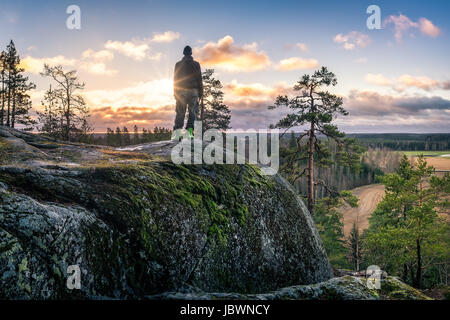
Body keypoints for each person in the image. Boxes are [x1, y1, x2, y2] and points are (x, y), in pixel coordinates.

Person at [172, 45, 203, 140]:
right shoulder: (196, 64)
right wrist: (200, 93)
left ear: (183, 53)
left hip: (181, 91)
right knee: (192, 113)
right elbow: (199, 79)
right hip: (193, 91)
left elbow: (175, 79)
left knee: (180, 112)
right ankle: (190, 134)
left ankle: (177, 134)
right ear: (191, 53)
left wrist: (175, 92)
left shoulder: (178, 64)